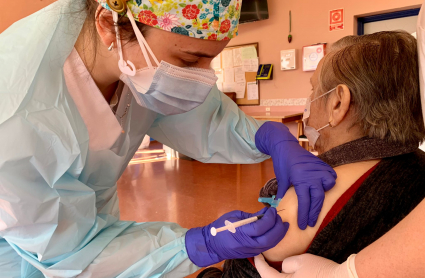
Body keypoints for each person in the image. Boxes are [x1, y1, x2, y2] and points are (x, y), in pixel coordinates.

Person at [0, 0, 337, 277]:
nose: (203, 78)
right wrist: (197, 244)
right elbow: (67, 252)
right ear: (108, 25)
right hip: (22, 247)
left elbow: (202, 116)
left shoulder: (130, 61)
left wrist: (268, 137)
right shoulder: (14, 111)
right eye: (190, 60)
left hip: (93, 226)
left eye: (211, 60)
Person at [198, 30, 425, 277]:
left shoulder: (304, 202)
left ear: (338, 103)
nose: (310, 101)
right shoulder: (418, 166)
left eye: (314, 89)